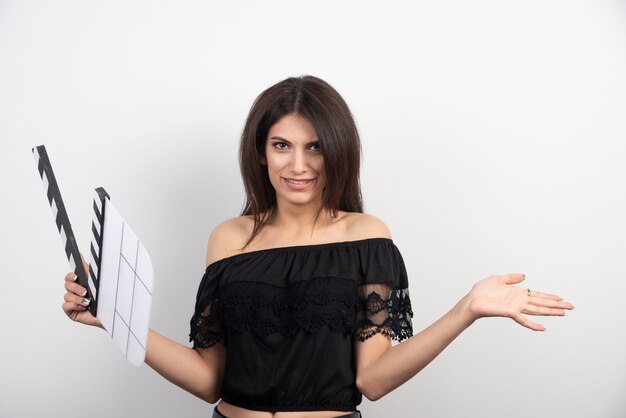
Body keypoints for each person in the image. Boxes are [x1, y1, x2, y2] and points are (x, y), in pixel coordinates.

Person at [62, 75, 574, 418]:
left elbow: (372, 378)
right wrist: (115, 315)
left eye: (315, 146)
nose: (298, 164)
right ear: (261, 154)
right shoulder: (228, 238)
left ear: (337, 151)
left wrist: (466, 309)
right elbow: (208, 379)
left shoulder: (365, 236)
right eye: (281, 145)